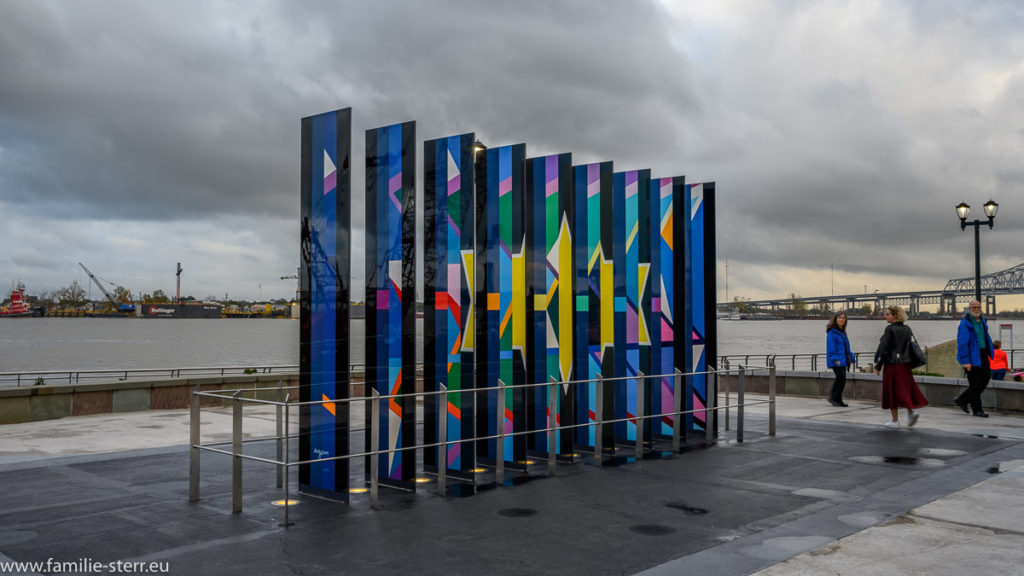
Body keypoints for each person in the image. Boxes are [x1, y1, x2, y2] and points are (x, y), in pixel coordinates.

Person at [873, 305, 928, 428]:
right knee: (905, 389)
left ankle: (895, 420)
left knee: (892, 390)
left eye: (888, 314)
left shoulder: (890, 329)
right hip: (905, 364)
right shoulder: (907, 329)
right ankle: (910, 413)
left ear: (895, 316)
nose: (885, 317)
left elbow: (885, 349)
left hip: (892, 364)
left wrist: (878, 366)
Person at [955, 301, 994, 417]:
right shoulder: (965, 324)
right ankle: (977, 410)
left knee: (985, 378)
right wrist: (965, 361)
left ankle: (962, 399)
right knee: (975, 384)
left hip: (982, 354)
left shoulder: (982, 321)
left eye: (978, 307)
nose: (977, 309)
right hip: (972, 357)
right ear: (969, 309)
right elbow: (962, 343)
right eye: (974, 307)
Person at [825, 312, 854, 407]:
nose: (841, 319)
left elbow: (847, 348)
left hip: (843, 359)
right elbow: (830, 347)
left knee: (842, 379)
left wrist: (852, 358)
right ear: (835, 319)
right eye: (839, 318)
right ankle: (833, 398)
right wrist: (834, 359)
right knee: (841, 378)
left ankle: (838, 400)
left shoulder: (843, 333)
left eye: (843, 318)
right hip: (836, 360)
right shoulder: (832, 332)